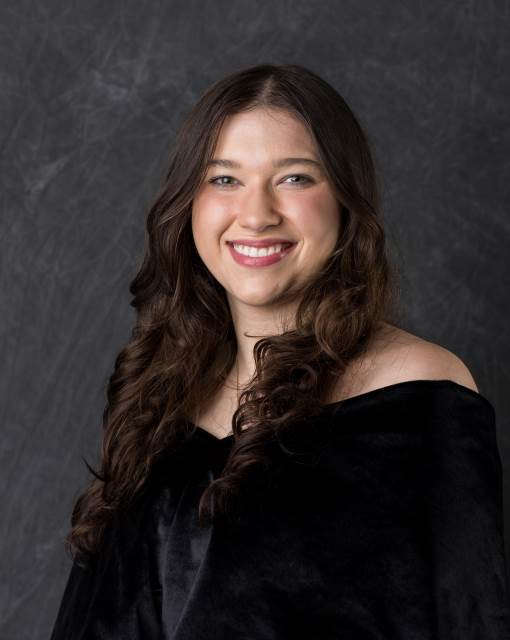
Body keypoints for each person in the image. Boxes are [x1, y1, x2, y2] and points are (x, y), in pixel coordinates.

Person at [49, 63, 510, 639]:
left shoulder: (416, 395)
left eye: (294, 178)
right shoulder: (159, 397)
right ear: (188, 203)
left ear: (345, 199)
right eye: (224, 179)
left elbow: (470, 620)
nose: (257, 214)